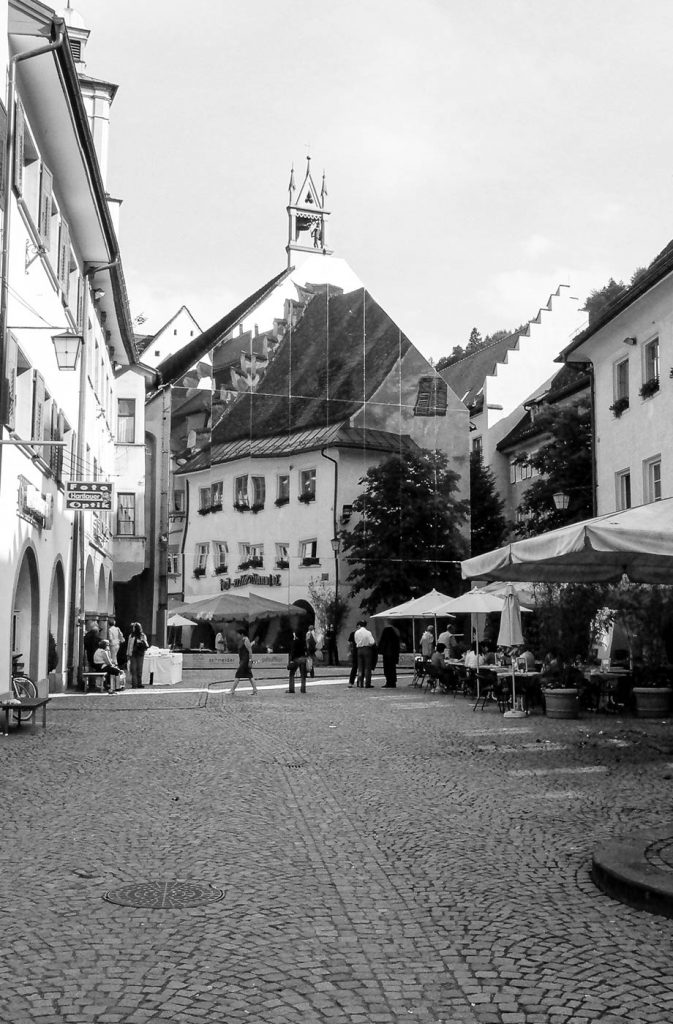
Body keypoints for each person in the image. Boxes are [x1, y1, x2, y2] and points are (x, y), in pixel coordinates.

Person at [228, 628, 258, 695]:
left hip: (245, 661)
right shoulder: (242, 640)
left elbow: (250, 651)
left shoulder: (245, 639)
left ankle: (232, 690)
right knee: (250, 676)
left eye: (238, 634)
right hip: (243, 660)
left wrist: (250, 660)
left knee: (238, 675)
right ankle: (255, 690)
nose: (237, 635)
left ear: (241, 634)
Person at [354, 619, 376, 688]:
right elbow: (372, 642)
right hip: (367, 649)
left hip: (359, 649)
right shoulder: (368, 632)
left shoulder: (356, 632)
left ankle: (360, 683)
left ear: (360, 625)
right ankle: (367, 683)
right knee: (367, 667)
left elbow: (356, 641)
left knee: (360, 667)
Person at [127, 621, 149, 689]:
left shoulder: (134, 636)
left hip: (136, 654)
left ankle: (137, 684)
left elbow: (129, 646)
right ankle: (137, 684)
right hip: (137, 654)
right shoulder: (136, 635)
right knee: (136, 669)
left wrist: (128, 654)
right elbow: (146, 645)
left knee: (136, 670)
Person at [378, 623, 401, 687]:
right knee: (392, 668)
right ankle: (393, 682)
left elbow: (382, 642)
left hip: (387, 653)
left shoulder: (386, 631)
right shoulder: (395, 632)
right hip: (393, 653)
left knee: (387, 669)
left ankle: (389, 682)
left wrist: (380, 650)